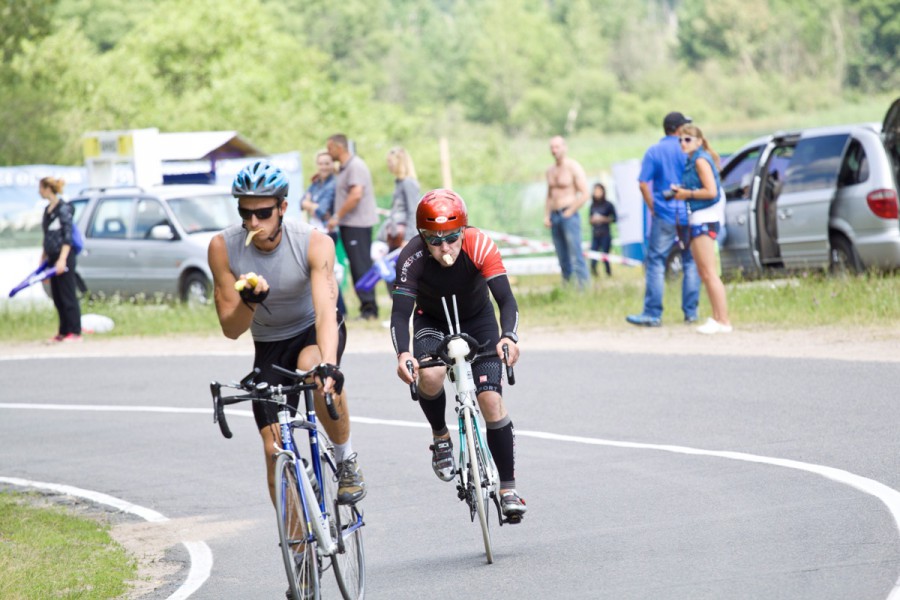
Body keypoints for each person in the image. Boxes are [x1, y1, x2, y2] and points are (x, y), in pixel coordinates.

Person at [207, 160, 367, 513]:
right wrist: (250, 302)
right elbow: (232, 329)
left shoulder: (313, 242)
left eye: (263, 213)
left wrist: (329, 364)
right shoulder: (223, 247)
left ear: (282, 207)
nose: (253, 223)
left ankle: (345, 460)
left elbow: (326, 309)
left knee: (314, 371)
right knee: (273, 449)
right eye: (245, 213)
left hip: (313, 327)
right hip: (269, 342)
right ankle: (298, 551)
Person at [390, 189, 526, 520]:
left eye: (451, 238)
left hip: (478, 320)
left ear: (463, 231)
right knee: (431, 374)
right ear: (423, 237)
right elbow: (400, 314)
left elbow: (506, 301)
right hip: (431, 321)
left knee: (491, 400)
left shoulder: (479, 244)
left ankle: (508, 489)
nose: (444, 247)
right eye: (434, 241)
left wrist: (509, 336)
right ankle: (440, 436)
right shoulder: (411, 257)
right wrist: (403, 354)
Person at [626, 111, 701, 327]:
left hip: (665, 213)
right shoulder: (688, 149)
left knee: (657, 262)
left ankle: (652, 314)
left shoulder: (654, 151)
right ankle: (691, 313)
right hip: (688, 212)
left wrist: (653, 207)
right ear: (677, 129)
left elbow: (642, 183)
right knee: (690, 261)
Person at [670, 124, 732, 334]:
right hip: (698, 217)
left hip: (706, 217)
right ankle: (717, 317)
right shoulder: (692, 161)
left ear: (698, 141)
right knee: (703, 272)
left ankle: (723, 320)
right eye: (680, 140)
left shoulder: (700, 160)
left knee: (709, 272)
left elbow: (711, 191)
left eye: (687, 139)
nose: (683, 144)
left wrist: (686, 194)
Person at [326, 134, 379, 320]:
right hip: (350, 224)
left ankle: (369, 309)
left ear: (339, 147)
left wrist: (337, 216)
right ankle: (367, 307)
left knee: (361, 267)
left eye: (329, 148)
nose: (328, 152)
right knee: (357, 266)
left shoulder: (355, 166)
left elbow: (356, 194)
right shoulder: (345, 168)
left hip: (358, 224)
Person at [300, 150, 347, 315]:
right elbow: (301, 202)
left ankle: (339, 309)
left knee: (329, 271)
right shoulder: (316, 182)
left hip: (328, 232)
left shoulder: (334, 183)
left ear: (332, 164)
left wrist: (310, 204)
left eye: (327, 163)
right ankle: (333, 308)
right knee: (322, 270)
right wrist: (310, 204)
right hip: (315, 231)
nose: (324, 166)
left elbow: (323, 210)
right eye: (321, 163)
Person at [39, 176, 82, 343]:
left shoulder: (63, 209)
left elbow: (67, 236)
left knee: (67, 294)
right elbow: (47, 236)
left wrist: (62, 259)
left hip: (64, 257)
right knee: (57, 295)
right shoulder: (47, 211)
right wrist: (43, 259)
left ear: (48, 189)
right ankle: (63, 331)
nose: (39, 191)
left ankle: (75, 332)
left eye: (41, 188)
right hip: (52, 257)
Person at [544, 135, 590, 288]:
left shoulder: (573, 167)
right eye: (552, 147)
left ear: (564, 148)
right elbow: (549, 195)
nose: (554, 150)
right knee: (562, 256)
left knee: (575, 255)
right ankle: (567, 287)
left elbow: (585, 193)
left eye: (557, 147)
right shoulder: (550, 170)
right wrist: (546, 215)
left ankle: (583, 288)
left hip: (569, 215)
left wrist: (570, 211)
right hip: (554, 216)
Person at [383, 146, 421, 251]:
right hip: (396, 236)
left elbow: (413, 211)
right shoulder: (399, 183)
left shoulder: (408, 183)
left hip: (404, 237)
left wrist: (408, 239)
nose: (388, 165)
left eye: (390, 161)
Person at [588, 182, 617, 277]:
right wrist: (593, 220)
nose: (597, 193)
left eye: (599, 191)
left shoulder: (608, 205)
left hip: (605, 234)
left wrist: (603, 219)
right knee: (593, 257)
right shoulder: (592, 205)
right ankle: (594, 274)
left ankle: (608, 274)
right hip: (595, 234)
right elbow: (590, 220)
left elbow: (615, 219)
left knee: (605, 257)